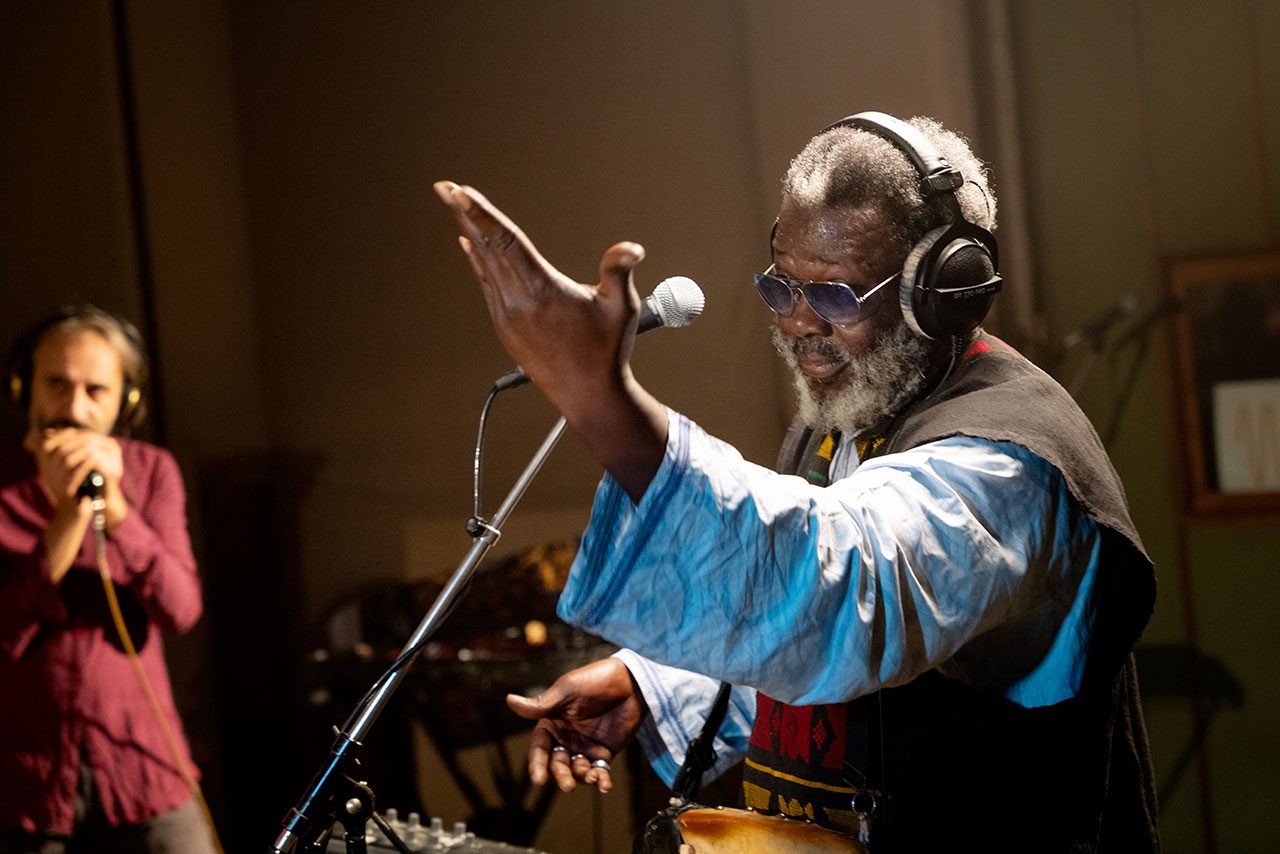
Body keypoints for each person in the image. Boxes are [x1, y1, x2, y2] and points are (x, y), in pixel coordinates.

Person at [434, 110, 1159, 851]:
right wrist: (653, 686)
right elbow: (821, 664)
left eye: (837, 296)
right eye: (783, 287)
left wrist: (603, 402)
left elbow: (843, 594)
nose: (800, 322)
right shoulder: (846, 421)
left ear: (943, 293)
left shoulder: (1008, 462)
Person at [0, 306, 217, 853]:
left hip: (144, 766)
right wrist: (71, 515)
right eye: (57, 384)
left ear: (127, 402)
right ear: (25, 385)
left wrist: (117, 509)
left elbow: (181, 610)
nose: (73, 408)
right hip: (25, 784)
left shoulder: (151, 473)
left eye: (95, 390)